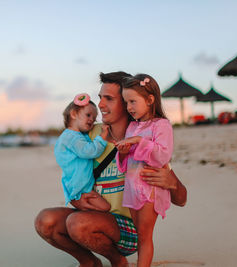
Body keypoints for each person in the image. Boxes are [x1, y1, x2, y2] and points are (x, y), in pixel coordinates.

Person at [35, 71, 187, 267]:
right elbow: (68, 164)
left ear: (127, 103)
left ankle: (118, 261)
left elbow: (181, 199)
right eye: (100, 98)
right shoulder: (91, 135)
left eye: (109, 99)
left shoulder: (146, 139)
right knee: (45, 221)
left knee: (77, 224)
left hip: (128, 228)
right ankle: (89, 262)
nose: (100, 105)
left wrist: (171, 182)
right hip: (94, 215)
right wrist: (74, 198)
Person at [115, 74, 173, 267]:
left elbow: (162, 155)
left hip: (150, 188)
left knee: (145, 235)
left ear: (149, 100)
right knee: (139, 234)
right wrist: (123, 153)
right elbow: (127, 162)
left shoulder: (161, 125)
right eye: (126, 102)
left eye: (132, 101)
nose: (128, 107)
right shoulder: (132, 126)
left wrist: (140, 141)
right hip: (132, 188)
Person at [54, 93, 111, 211]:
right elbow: (89, 151)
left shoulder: (72, 136)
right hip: (79, 188)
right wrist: (102, 137)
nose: (92, 120)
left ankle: (82, 216)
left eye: (94, 119)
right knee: (105, 208)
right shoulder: (71, 137)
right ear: (74, 114)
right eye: (88, 115)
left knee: (102, 209)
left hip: (79, 186)